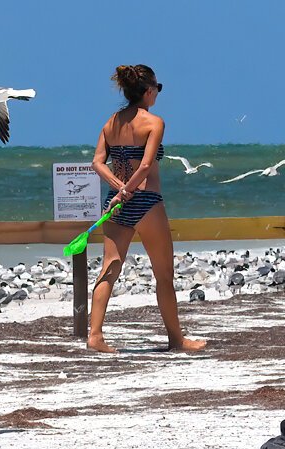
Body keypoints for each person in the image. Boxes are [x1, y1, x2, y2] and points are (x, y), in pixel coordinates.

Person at [85, 65, 206, 353]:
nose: (157, 96)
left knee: (109, 269)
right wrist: (129, 190)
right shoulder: (154, 123)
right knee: (164, 275)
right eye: (157, 90)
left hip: (116, 204)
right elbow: (146, 165)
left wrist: (118, 189)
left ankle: (95, 335)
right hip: (146, 201)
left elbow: (97, 163)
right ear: (148, 91)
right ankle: (176, 339)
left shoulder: (110, 123)